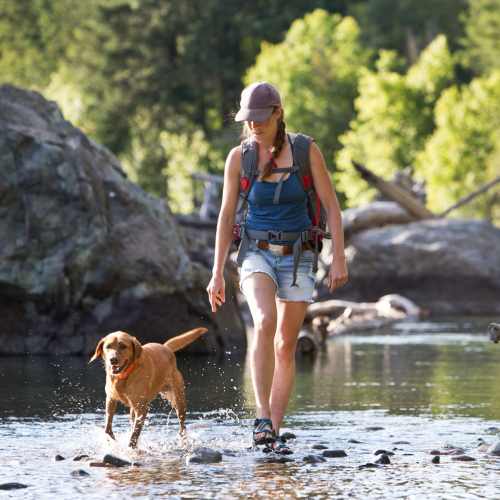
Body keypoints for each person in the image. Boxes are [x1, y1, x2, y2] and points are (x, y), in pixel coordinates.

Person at [207, 81, 348, 453]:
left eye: (260, 118)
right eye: (247, 119)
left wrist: (340, 258)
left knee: (286, 344)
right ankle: (261, 419)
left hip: (301, 254)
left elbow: (331, 206)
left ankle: (272, 430)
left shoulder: (305, 151)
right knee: (264, 322)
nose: (253, 125)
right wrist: (217, 271)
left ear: (277, 113)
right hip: (255, 251)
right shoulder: (239, 158)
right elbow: (225, 217)